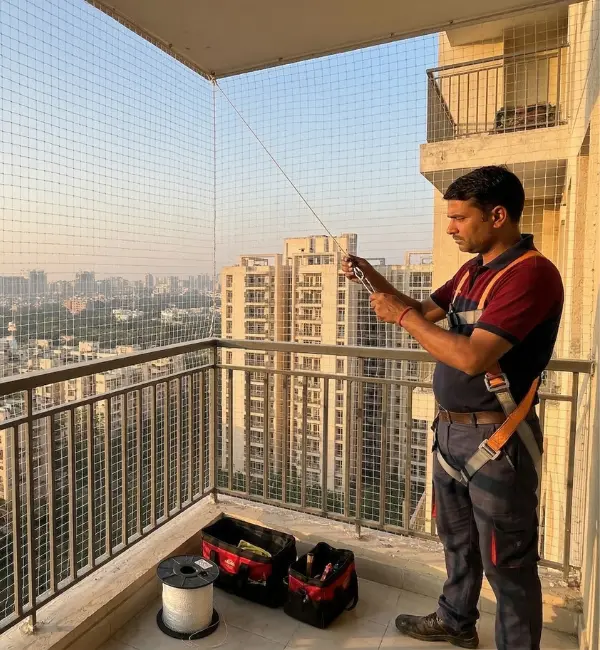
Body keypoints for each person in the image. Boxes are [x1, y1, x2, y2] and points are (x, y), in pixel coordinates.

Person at [342, 166, 564, 650]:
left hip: (497, 441)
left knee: (508, 563)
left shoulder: (530, 275)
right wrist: (369, 275)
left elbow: (471, 356)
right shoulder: (474, 271)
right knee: (458, 541)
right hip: (451, 435)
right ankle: (455, 620)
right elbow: (423, 312)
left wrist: (401, 316)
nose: (450, 228)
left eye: (460, 218)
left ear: (497, 216)